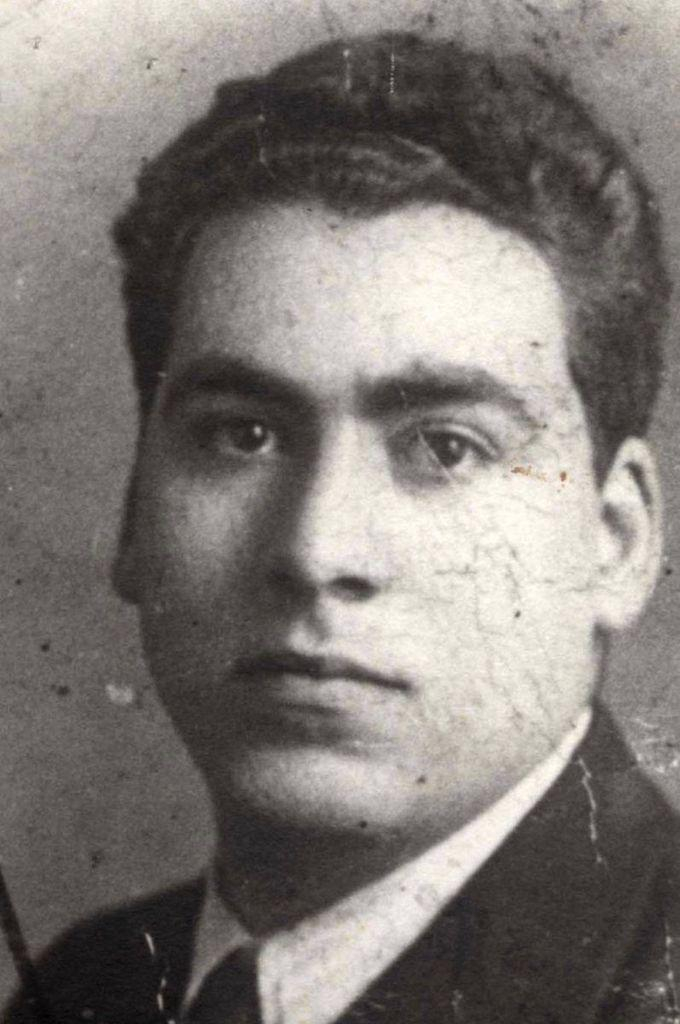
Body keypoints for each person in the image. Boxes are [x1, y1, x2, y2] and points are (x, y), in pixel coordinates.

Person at [6, 30, 679, 1024]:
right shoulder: (85, 988)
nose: (316, 551)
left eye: (443, 447)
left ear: (614, 539)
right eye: (242, 435)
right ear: (132, 512)